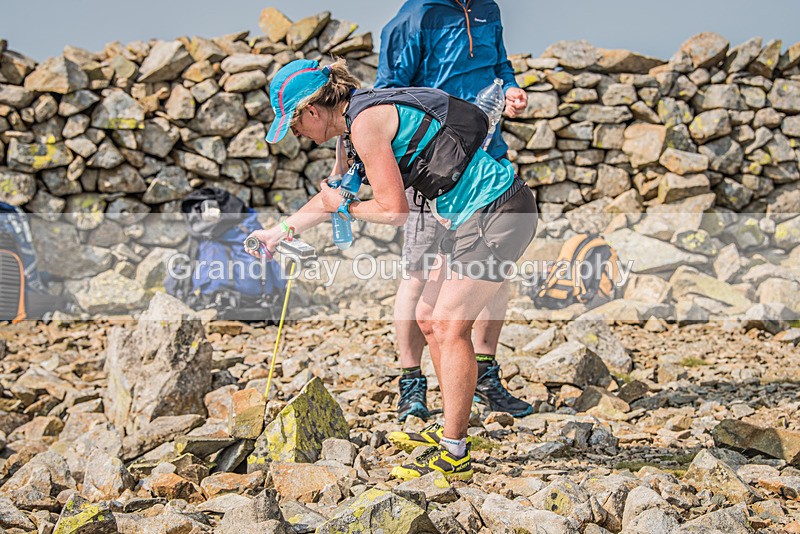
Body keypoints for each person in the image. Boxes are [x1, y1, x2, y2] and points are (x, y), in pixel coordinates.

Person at [247, 58, 538, 480]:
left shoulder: (365, 124)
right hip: (468, 217)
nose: (297, 136)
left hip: (500, 211)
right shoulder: (353, 124)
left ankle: (455, 452)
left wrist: (345, 207)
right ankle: (450, 429)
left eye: (294, 127)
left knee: (449, 325)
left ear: (311, 111)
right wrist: (278, 232)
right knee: (428, 318)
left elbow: (393, 211)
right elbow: (331, 196)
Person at [374, 0, 533, 429]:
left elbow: (500, 65)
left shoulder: (488, 8)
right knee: (419, 273)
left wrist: (510, 89)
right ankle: (412, 382)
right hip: (433, 168)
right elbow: (386, 96)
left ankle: (484, 373)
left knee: (493, 269)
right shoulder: (413, 19)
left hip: (488, 158)